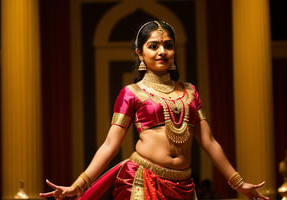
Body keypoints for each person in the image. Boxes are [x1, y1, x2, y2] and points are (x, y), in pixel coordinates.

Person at [40, 20, 269, 200]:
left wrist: (238, 183)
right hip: (142, 179)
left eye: (168, 46)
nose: (162, 51)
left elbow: (209, 142)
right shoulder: (131, 93)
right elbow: (111, 144)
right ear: (140, 53)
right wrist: (79, 184)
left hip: (184, 185)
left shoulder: (189, 92)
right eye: (153, 46)